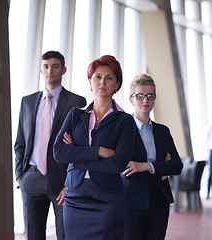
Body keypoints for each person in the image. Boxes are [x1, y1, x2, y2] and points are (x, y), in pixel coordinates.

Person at [53, 55, 135, 239]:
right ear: (90, 81)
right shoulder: (75, 114)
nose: (102, 82)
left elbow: (118, 164)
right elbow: (58, 152)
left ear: (117, 84)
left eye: (109, 77)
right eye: (97, 77)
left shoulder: (125, 121)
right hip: (75, 196)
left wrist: (75, 155)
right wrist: (98, 151)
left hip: (108, 197)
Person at [14, 50, 86, 240]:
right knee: (34, 236)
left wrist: (71, 182)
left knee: (66, 235)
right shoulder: (27, 102)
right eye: (46, 66)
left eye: (55, 66)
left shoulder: (76, 102)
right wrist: (20, 175)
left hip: (62, 182)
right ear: (40, 69)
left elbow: (81, 146)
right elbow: (20, 141)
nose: (50, 71)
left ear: (64, 70)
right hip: (31, 178)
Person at [121, 74, 183, 240]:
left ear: (155, 99)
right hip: (131, 201)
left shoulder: (163, 131)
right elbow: (123, 167)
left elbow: (177, 166)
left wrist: (144, 166)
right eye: (139, 96)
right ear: (131, 99)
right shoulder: (122, 130)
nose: (145, 100)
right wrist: (161, 168)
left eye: (150, 96)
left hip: (159, 200)